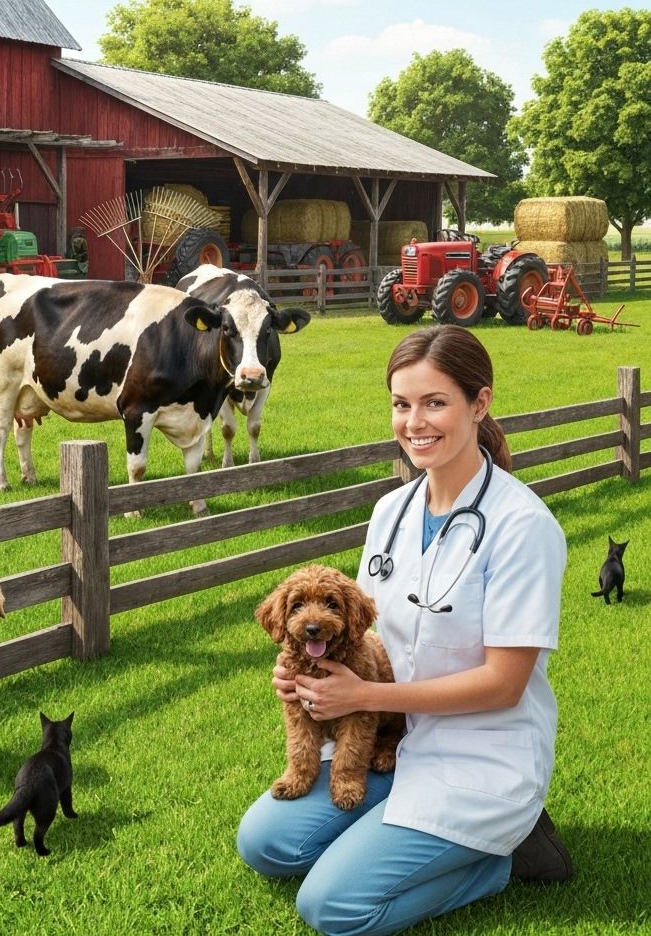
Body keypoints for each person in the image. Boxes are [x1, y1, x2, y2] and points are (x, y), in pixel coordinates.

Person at [237, 325, 573, 936]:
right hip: (391, 742)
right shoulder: (391, 512)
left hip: (481, 756)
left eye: (434, 402)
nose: (414, 422)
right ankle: (397, 828)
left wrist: (364, 695)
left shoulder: (522, 526)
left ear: (480, 403)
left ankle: (499, 858)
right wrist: (307, 678)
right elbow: (366, 635)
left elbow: (505, 685)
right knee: (265, 843)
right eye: (401, 404)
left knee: (330, 906)